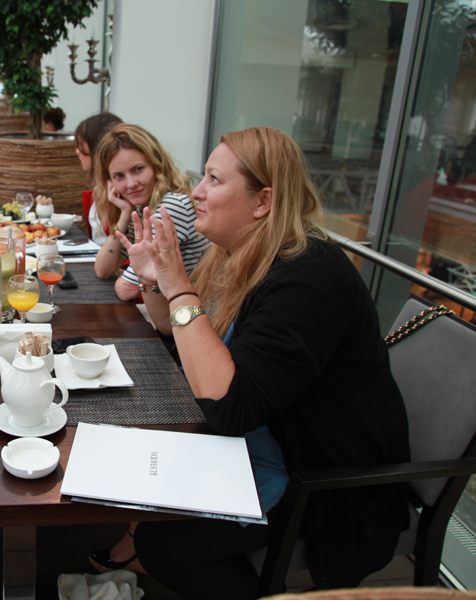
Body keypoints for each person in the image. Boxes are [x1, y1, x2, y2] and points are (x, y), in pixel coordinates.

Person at [102, 127, 410, 599]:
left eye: (213, 179)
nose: (196, 192)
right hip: (264, 443)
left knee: (163, 543)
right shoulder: (243, 256)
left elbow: (229, 408)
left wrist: (178, 284)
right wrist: (155, 279)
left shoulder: (306, 277)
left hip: (322, 484)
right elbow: (175, 335)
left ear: (263, 201)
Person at [91, 124, 209, 317]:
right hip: (174, 312)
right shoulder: (141, 207)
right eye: (119, 176)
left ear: (156, 166)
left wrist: (126, 278)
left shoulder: (171, 206)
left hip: (196, 318)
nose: (131, 184)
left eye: (138, 169)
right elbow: (103, 269)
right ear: (109, 182)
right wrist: (125, 213)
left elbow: (125, 290)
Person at [75, 112, 123, 245]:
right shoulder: (99, 190)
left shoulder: (121, 193)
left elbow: (118, 243)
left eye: (80, 144)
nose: (77, 151)